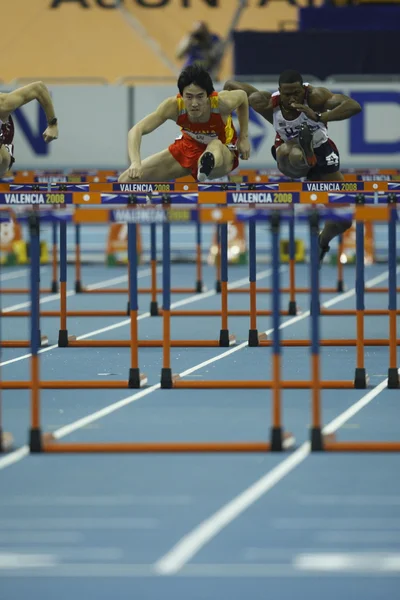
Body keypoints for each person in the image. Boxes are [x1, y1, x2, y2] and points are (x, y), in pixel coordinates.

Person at [224, 70, 362, 262]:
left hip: (322, 150)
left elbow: (353, 106)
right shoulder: (266, 103)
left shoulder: (316, 97)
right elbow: (231, 85)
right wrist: (224, 123)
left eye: (296, 93)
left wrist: (321, 117)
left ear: (303, 90)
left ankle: (322, 240)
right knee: (288, 153)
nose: (292, 98)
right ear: (279, 92)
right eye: (286, 94)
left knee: (344, 219)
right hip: (289, 156)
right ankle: (305, 155)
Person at [119, 64, 250, 184]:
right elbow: (136, 130)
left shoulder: (222, 103)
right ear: (181, 95)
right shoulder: (173, 106)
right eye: (189, 96)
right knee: (125, 180)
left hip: (223, 154)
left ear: (209, 96)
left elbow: (243, 96)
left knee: (214, 145)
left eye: (200, 96)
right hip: (187, 149)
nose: (194, 103)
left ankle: (206, 164)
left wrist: (243, 137)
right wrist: (135, 162)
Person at [0, 81, 58, 178]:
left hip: (5, 136)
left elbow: (38, 88)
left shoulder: (3, 104)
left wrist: (52, 125)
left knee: (3, 160)